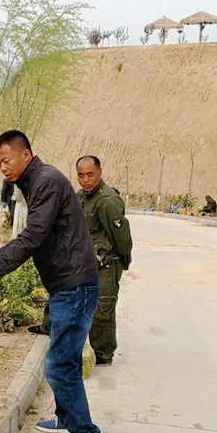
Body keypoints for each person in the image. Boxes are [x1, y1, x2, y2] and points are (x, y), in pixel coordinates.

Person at [0, 130, 102, 433]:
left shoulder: (45, 182)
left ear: (25, 154)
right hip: (67, 283)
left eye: (5, 160)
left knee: (60, 363)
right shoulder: (37, 181)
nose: (2, 167)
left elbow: (34, 234)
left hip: (74, 285)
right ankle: (65, 416)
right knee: (66, 356)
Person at [76, 156, 133, 366]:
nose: (85, 180)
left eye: (90, 175)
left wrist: (122, 261)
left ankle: (103, 353)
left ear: (99, 172)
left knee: (103, 310)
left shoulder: (108, 200)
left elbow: (122, 237)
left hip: (107, 264)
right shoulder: (81, 197)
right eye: (81, 175)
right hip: (87, 264)